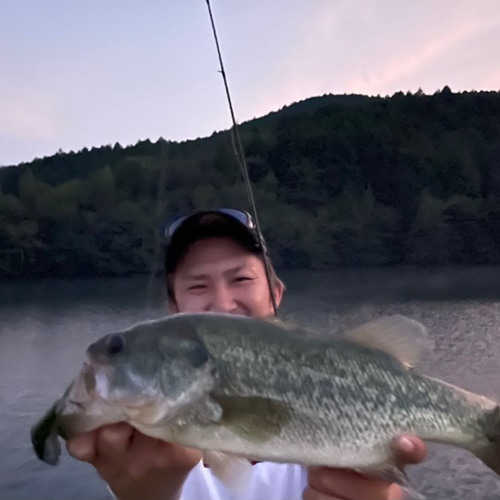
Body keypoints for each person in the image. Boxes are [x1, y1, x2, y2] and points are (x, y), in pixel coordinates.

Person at [67, 208, 428, 500]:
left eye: (240, 279)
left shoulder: (338, 418)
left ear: (276, 293)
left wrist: (386, 497)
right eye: (197, 286)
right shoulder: (146, 452)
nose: (223, 304)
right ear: (173, 309)